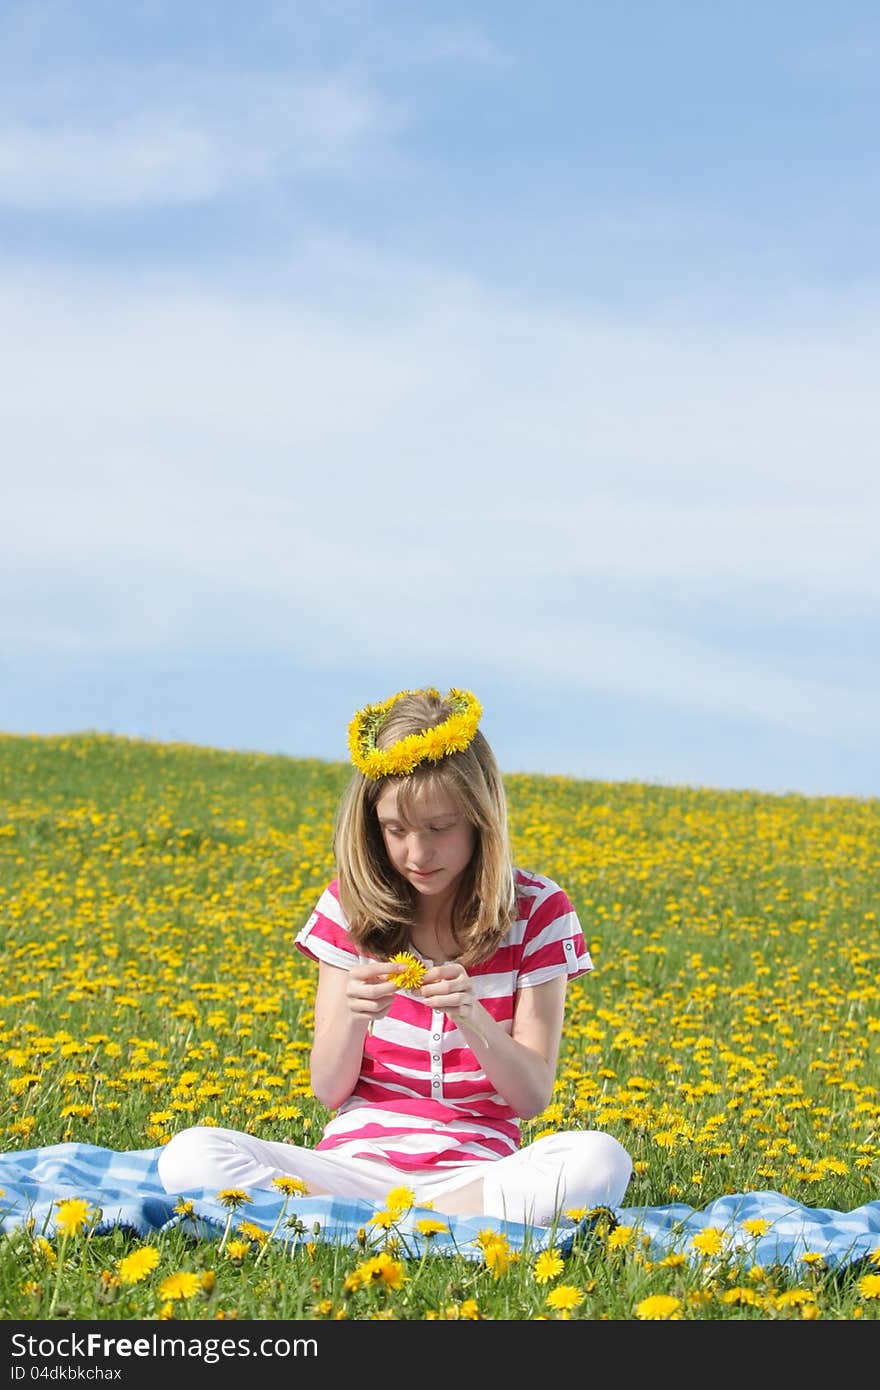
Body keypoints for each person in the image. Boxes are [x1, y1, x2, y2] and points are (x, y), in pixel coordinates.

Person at [158, 686, 633, 1226]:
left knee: (600, 1160)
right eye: (395, 830)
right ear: (371, 825)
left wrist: (471, 1014)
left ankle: (369, 1223)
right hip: (350, 1167)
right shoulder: (347, 906)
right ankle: (417, 1226)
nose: (417, 853)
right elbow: (329, 1088)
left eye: (439, 828)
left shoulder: (538, 910)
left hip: (476, 1174)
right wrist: (355, 1018)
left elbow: (530, 1098)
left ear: (481, 820)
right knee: (190, 1154)